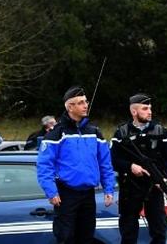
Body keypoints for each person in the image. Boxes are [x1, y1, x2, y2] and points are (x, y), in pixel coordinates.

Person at [37, 86, 115, 244]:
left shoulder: (94, 132)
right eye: (80, 102)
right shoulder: (56, 134)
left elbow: (105, 163)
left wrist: (109, 188)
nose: (85, 105)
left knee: (86, 238)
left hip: (88, 194)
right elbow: (44, 166)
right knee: (65, 238)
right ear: (69, 107)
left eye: (86, 101)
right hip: (66, 195)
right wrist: (51, 192)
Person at [111, 93, 167, 244]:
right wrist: (130, 166)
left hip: (154, 186)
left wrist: (165, 178)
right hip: (130, 187)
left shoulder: (161, 131)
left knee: (159, 230)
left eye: (150, 108)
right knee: (128, 232)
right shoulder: (121, 133)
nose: (150, 112)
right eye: (145, 108)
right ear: (134, 112)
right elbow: (112, 159)